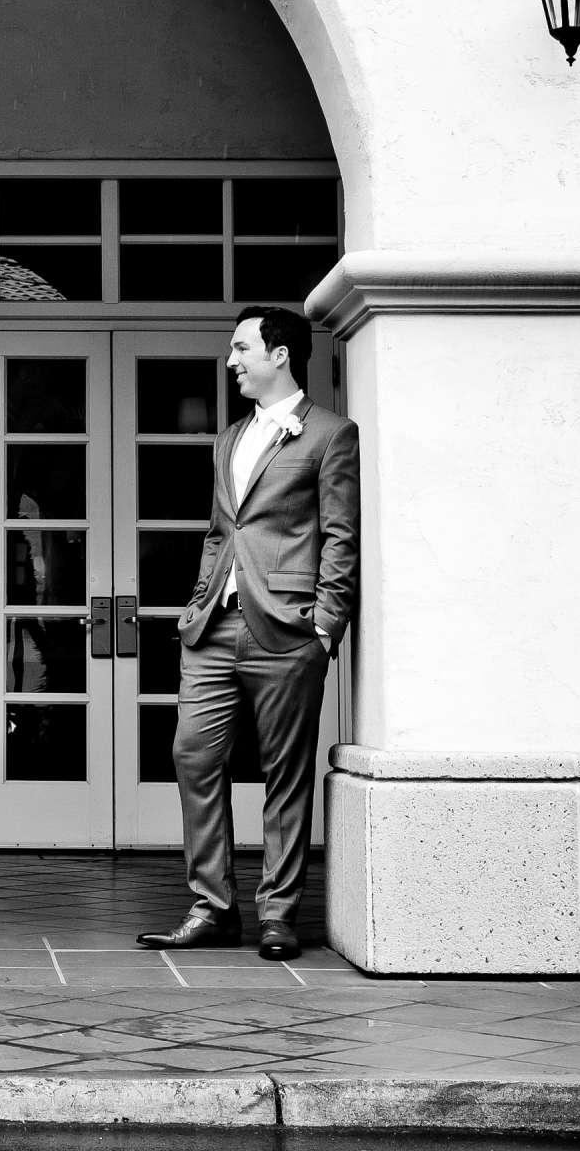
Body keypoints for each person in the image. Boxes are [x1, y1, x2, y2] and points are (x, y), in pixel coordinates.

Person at [137, 306, 359, 961]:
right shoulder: (228, 439)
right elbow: (220, 532)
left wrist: (324, 623)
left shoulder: (330, 435)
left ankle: (278, 916)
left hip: (286, 630)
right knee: (192, 756)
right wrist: (196, 604)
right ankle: (212, 907)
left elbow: (340, 536)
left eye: (242, 349)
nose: (231, 361)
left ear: (281, 353)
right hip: (214, 629)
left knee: (284, 773)